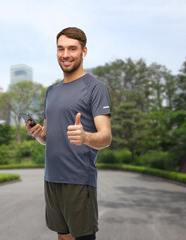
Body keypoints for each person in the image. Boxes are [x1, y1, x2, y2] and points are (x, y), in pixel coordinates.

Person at [25, 27, 112, 240]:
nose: (65, 54)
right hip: (52, 179)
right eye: (60, 49)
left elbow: (106, 137)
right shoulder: (51, 92)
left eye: (72, 49)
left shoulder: (95, 88)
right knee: (63, 236)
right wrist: (37, 134)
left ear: (84, 51)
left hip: (79, 180)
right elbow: (47, 138)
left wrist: (86, 137)